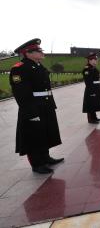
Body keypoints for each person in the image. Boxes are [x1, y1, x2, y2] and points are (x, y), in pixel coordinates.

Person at [9, 38, 64, 174]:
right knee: (33, 136)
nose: (41, 52)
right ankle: (37, 164)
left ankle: (45, 158)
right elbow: (21, 94)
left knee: (44, 132)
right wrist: (31, 113)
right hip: (33, 107)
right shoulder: (19, 69)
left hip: (45, 105)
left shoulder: (39, 66)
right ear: (28, 53)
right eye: (38, 51)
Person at [82, 52, 100, 124]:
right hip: (91, 89)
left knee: (94, 103)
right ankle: (91, 119)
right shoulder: (87, 69)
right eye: (94, 60)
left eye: (96, 59)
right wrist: (92, 91)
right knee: (90, 104)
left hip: (96, 88)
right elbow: (88, 82)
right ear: (90, 60)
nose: (96, 61)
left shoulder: (93, 68)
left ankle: (94, 117)